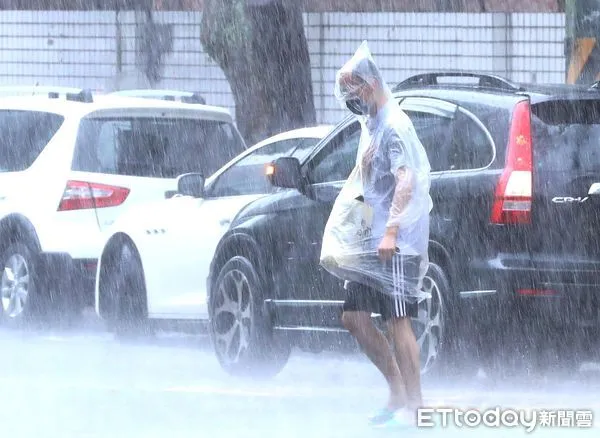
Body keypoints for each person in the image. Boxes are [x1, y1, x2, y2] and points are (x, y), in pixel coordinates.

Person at [330, 41, 433, 427]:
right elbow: (370, 185)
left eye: (353, 92)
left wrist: (390, 232)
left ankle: (417, 408)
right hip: (371, 241)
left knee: (397, 320)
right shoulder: (371, 125)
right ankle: (397, 389)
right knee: (354, 317)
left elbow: (405, 181)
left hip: (396, 242)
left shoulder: (394, 125)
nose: (350, 101)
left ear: (370, 85)